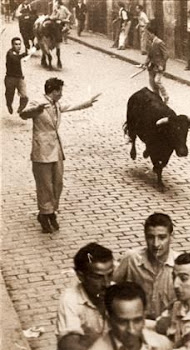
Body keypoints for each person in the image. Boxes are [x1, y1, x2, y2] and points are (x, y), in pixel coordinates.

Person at [19, 78, 99, 233]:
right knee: (44, 185)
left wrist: (88, 102)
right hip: (41, 151)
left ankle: (51, 211)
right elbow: (24, 114)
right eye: (60, 91)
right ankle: (45, 214)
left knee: (57, 182)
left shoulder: (56, 104)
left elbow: (71, 107)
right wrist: (37, 110)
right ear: (53, 91)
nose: (61, 94)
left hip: (56, 150)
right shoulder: (37, 102)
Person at [43, 242, 114, 350]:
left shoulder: (115, 293)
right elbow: (69, 346)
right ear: (80, 276)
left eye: (110, 274)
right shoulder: (70, 299)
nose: (107, 283)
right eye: (98, 277)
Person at [114, 213, 180, 320]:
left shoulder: (180, 265)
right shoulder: (132, 259)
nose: (156, 244)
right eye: (150, 237)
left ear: (171, 237)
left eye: (162, 237)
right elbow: (111, 286)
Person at [144, 20, 169, 103]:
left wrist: (162, 64)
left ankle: (165, 96)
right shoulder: (150, 43)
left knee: (157, 81)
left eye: (148, 34)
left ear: (152, 33)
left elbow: (166, 55)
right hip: (152, 66)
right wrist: (145, 64)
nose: (147, 36)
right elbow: (149, 55)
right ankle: (157, 98)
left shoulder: (159, 42)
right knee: (152, 82)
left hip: (159, 66)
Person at [5, 37, 29, 115]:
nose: (18, 46)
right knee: (10, 95)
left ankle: (20, 109)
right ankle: (9, 105)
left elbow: (19, 56)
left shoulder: (16, 54)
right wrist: (25, 54)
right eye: (16, 44)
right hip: (10, 78)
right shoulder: (10, 53)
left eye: (19, 44)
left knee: (24, 96)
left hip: (19, 78)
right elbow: (15, 58)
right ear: (12, 45)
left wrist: (32, 50)